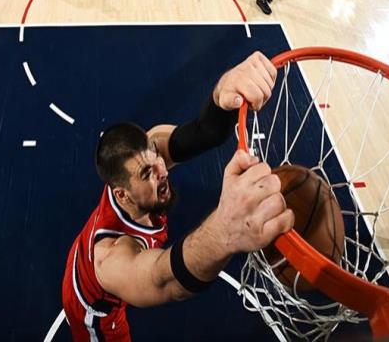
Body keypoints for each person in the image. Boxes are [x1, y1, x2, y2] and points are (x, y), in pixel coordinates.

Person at [62, 52, 295, 341]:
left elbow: (204, 132)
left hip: (82, 252)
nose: (162, 170)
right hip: (92, 310)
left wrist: (223, 94)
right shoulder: (110, 257)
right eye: (146, 173)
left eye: (156, 155)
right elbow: (164, 281)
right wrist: (224, 230)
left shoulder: (145, 158)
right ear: (121, 195)